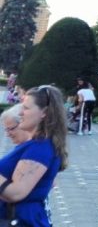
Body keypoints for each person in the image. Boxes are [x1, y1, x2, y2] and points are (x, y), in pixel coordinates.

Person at [0, 85, 69, 227]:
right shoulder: (35, 145)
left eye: (25, 108)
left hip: (23, 220)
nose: (20, 113)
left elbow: (16, 193)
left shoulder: (40, 148)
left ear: (44, 112)